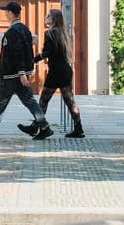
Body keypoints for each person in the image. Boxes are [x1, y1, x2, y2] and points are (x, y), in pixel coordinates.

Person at [0, 1, 53, 140]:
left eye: (6, 11)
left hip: (11, 75)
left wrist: (21, 73)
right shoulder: (24, 28)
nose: (5, 13)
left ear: (11, 13)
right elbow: (28, 51)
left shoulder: (13, 31)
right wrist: (27, 70)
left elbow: (18, 53)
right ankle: (44, 127)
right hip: (20, 74)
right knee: (29, 101)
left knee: (1, 101)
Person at [20, 8, 85, 139]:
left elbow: (48, 52)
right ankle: (79, 129)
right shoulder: (63, 33)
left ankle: (37, 127)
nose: (46, 17)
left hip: (56, 71)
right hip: (65, 70)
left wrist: (33, 60)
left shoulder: (49, 33)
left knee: (44, 100)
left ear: (53, 18)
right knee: (70, 101)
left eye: (48, 15)